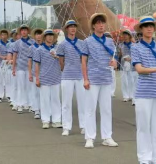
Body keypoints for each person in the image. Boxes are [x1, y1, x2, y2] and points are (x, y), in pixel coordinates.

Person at [131, 16, 156, 164]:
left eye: (151, 26)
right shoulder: (136, 47)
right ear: (141, 29)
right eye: (146, 26)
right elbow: (139, 69)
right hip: (143, 92)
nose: (149, 29)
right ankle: (144, 158)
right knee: (143, 127)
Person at [81, 13, 119, 149]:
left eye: (102, 22)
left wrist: (115, 63)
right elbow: (83, 61)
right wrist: (85, 79)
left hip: (106, 78)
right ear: (93, 26)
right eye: (98, 23)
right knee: (90, 109)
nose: (101, 25)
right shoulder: (87, 41)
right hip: (93, 79)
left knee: (106, 109)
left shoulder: (110, 41)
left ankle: (107, 137)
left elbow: (114, 60)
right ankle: (89, 137)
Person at [57, 19, 86, 136]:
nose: (73, 28)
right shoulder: (62, 44)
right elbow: (61, 61)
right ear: (67, 29)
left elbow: (84, 59)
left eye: (74, 26)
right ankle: (66, 126)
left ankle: (84, 126)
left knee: (82, 102)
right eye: (70, 26)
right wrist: (66, 69)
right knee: (66, 103)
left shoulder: (82, 43)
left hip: (80, 76)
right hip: (67, 76)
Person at [34, 29, 62, 129]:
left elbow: (63, 61)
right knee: (45, 100)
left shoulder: (58, 48)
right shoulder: (39, 50)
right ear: (44, 37)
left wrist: (57, 57)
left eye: (51, 35)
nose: (50, 37)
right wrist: (37, 78)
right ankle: (45, 120)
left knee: (56, 100)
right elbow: (37, 65)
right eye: (48, 35)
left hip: (56, 78)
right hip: (44, 78)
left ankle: (56, 120)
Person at [12, 24, 32, 113]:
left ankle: (28, 103)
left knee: (29, 86)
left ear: (28, 31)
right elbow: (14, 55)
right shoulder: (17, 43)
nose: (24, 32)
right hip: (20, 66)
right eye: (22, 30)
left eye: (25, 30)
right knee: (20, 86)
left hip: (29, 67)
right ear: (20, 32)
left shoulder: (32, 42)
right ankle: (19, 104)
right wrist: (13, 68)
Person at [28, 28, 44, 119]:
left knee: (44, 93)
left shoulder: (46, 47)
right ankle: (36, 110)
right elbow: (29, 61)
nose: (39, 36)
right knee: (36, 92)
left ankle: (44, 110)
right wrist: (30, 73)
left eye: (40, 34)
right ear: (34, 36)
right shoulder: (31, 48)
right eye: (37, 34)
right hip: (35, 73)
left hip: (45, 73)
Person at [118, 29, 135, 103]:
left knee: (131, 80)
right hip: (123, 64)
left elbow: (136, 55)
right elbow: (119, 54)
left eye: (126, 35)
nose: (125, 36)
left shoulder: (134, 45)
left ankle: (132, 95)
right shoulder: (120, 45)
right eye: (124, 35)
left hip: (131, 65)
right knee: (124, 80)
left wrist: (131, 59)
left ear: (129, 36)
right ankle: (125, 96)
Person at [7, 28, 19, 110]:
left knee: (24, 86)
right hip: (14, 67)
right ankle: (14, 101)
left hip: (25, 67)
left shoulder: (29, 43)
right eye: (16, 35)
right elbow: (9, 55)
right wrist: (11, 60)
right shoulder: (11, 44)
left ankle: (25, 103)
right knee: (14, 85)